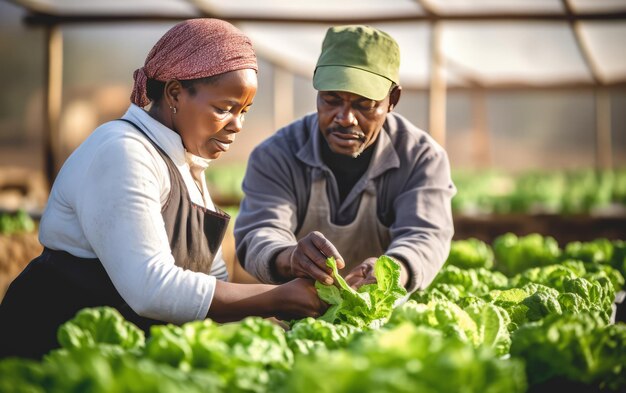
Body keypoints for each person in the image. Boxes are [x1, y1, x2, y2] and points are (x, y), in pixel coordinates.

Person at [0, 19, 325, 359]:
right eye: (224, 109)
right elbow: (150, 288)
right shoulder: (123, 150)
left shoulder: (188, 166)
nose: (237, 125)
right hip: (52, 352)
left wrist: (287, 283)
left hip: (123, 360)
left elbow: (213, 278)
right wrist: (276, 298)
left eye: (244, 111)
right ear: (174, 94)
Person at [235, 25, 456, 293]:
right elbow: (259, 230)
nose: (345, 118)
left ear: (392, 99)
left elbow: (425, 236)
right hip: (301, 321)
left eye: (364, 104)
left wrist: (393, 272)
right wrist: (289, 256)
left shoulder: (421, 158)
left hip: (389, 320)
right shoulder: (277, 154)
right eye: (331, 99)